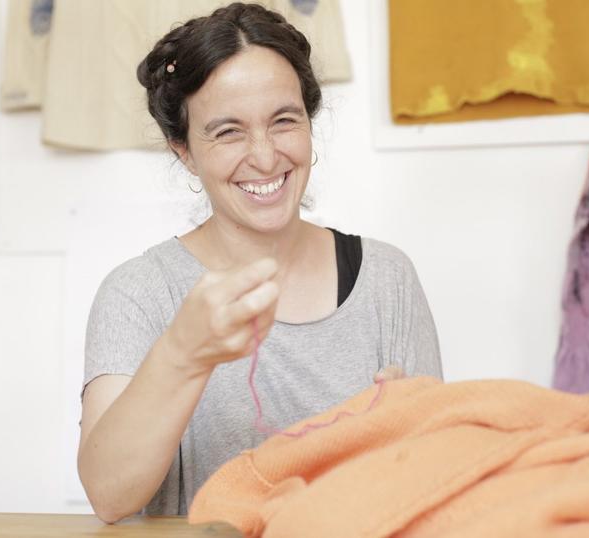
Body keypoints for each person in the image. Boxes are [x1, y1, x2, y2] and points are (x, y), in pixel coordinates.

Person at [78, 2, 442, 523]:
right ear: (183, 149)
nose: (266, 156)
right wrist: (183, 353)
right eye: (228, 132)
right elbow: (110, 495)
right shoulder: (139, 293)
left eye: (284, 121)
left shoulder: (387, 279)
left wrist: (396, 434)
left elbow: (439, 480)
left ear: (310, 125)